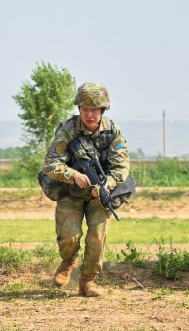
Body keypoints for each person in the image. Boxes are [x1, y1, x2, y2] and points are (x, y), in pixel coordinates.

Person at [41, 83, 130, 297]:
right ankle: (69, 260)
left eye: (95, 110)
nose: (90, 115)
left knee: (97, 237)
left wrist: (106, 185)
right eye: (85, 109)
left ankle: (88, 281)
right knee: (69, 237)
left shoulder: (113, 131)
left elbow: (121, 166)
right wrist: (74, 175)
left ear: (102, 111)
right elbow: (50, 163)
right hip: (70, 191)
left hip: (99, 193)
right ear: (79, 109)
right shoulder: (68, 129)